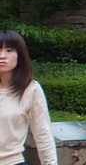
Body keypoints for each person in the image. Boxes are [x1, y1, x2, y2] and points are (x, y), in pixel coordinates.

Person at [0, 30, 56, 165]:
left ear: (20, 55)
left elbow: (43, 134)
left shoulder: (30, 90)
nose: (2, 56)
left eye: (9, 50)